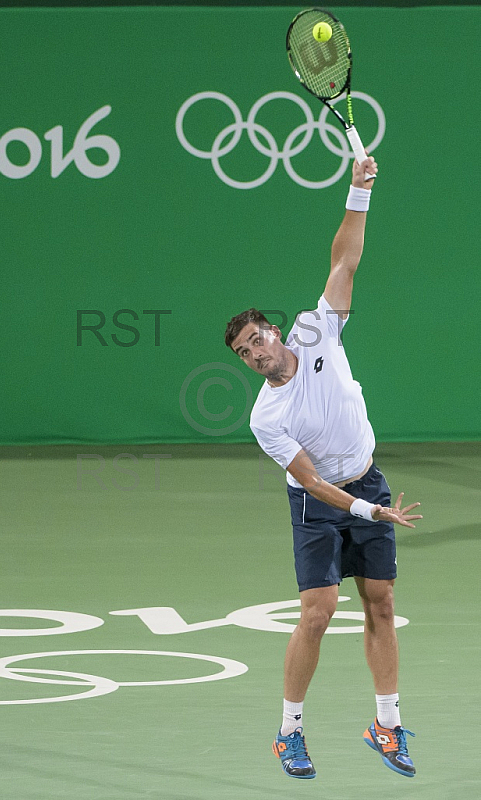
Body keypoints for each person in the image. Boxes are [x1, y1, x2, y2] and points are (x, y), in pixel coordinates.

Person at [224, 154, 422, 780]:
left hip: (367, 476)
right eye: (243, 352)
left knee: (382, 603)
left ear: (277, 331)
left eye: (257, 338)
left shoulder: (317, 331)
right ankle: (289, 733)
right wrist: (368, 509)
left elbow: (345, 259)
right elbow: (309, 481)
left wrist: (358, 190)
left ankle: (386, 725)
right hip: (322, 503)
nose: (254, 352)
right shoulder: (265, 417)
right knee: (318, 611)